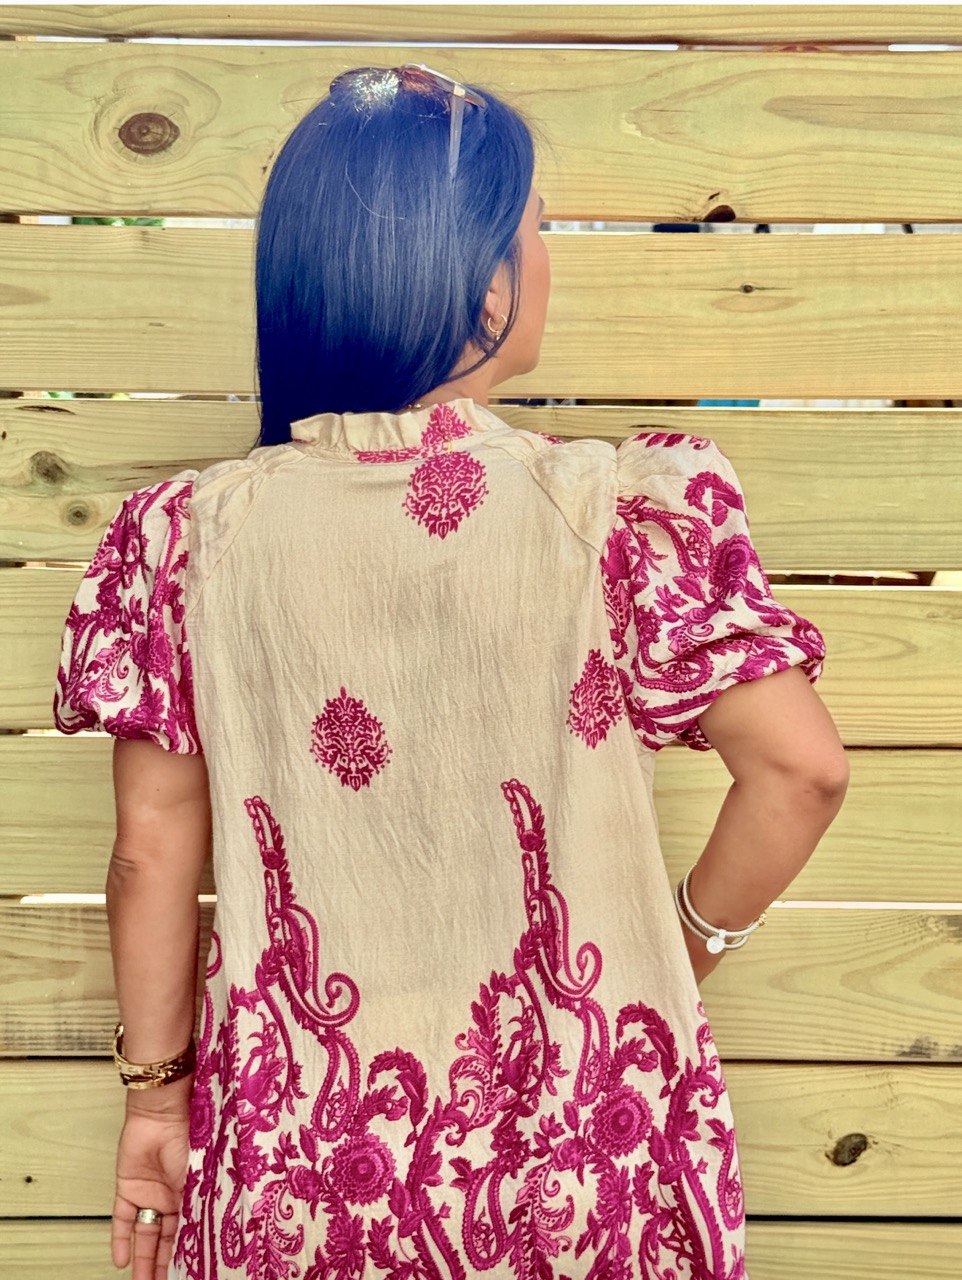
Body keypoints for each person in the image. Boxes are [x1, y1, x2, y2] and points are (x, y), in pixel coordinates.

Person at [52, 63, 848, 1280]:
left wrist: (158, 1100)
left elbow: (150, 850)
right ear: (485, 286)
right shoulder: (613, 515)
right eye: (537, 229)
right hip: (583, 1153)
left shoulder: (187, 541)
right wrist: (674, 949)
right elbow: (799, 771)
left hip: (300, 1167)